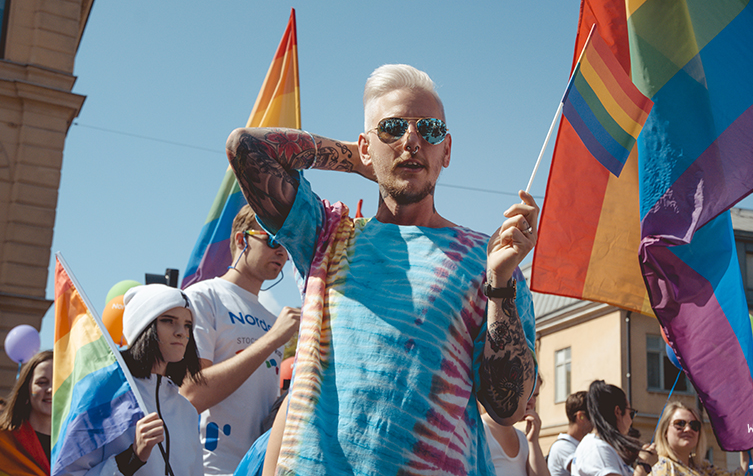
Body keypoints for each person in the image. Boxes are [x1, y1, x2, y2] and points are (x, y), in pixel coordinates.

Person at [226, 63, 538, 475]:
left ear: (446, 151)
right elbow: (247, 146)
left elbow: (507, 407)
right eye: (392, 128)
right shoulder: (327, 233)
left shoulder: (491, 258)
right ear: (366, 148)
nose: (412, 141)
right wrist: (357, 159)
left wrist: (499, 286)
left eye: (429, 131)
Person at [181, 205, 300, 476]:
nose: (281, 251)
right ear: (241, 239)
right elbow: (190, 393)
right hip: (206, 467)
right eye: (272, 240)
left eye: (286, 244)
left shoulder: (272, 319)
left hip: (256, 468)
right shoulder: (203, 297)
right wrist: (272, 339)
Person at [65, 284, 204, 476]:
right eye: (168, 320)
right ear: (142, 327)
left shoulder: (186, 411)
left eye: (187, 324)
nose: (182, 332)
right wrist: (132, 457)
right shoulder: (102, 393)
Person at [0, 350, 52, 476]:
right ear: (27, 389)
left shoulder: (80, 445)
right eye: (41, 382)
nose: (51, 389)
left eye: (60, 382)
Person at [571, 380, 657, 476]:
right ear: (618, 412)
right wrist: (643, 465)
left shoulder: (601, 447)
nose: (631, 421)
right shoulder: (597, 449)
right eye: (631, 413)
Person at [651, 401, 748, 476]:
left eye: (694, 425)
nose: (688, 429)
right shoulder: (662, 467)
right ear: (665, 432)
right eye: (680, 424)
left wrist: (746, 450)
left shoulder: (703, 467)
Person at [482, 374, 549, 475]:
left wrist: (533, 442)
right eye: (527, 393)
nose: (531, 402)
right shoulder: (479, 430)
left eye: (535, 396)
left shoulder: (523, 439)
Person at [548, 391, 592, 476]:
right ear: (580, 417)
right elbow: (588, 472)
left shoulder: (579, 445)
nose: (595, 422)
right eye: (592, 416)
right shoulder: (562, 447)